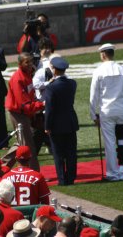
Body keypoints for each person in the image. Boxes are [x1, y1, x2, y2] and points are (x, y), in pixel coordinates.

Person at [90, 43, 123, 181]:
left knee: (109, 143)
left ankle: (112, 173)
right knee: (122, 140)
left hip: (106, 111)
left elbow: (94, 95)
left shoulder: (98, 71)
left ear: (103, 54)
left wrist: (93, 114)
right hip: (121, 110)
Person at [5, 53, 44, 171]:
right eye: (26, 62)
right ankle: (34, 172)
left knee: (20, 142)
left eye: (31, 61)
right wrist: (41, 105)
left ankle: (1, 167)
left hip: (25, 113)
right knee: (28, 145)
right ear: (20, 64)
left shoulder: (28, 74)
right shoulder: (17, 78)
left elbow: (29, 95)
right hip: (19, 114)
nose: (30, 64)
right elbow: (24, 104)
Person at [45, 57, 79, 186]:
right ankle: (71, 177)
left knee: (58, 153)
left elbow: (49, 109)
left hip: (56, 124)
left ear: (53, 69)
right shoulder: (72, 83)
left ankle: (62, 179)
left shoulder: (51, 87)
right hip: (70, 122)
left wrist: (47, 125)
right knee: (71, 152)